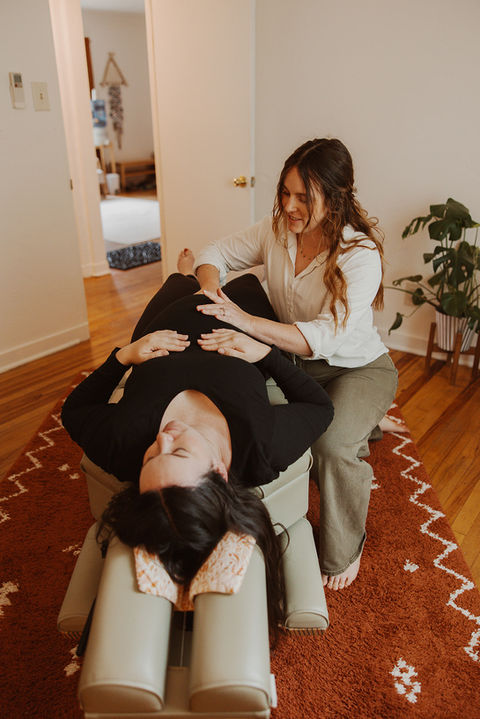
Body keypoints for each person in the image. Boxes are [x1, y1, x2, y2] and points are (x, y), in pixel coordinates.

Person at [61, 251, 334, 635]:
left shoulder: (122, 444)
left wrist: (123, 357)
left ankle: (186, 274)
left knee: (178, 281)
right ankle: (206, 281)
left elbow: (74, 410)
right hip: (239, 317)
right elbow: (320, 407)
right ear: (219, 471)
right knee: (248, 281)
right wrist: (266, 355)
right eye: (179, 451)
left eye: (150, 457)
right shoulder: (260, 445)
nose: (162, 437)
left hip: (164, 318)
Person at [194, 138, 398, 591]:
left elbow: (324, 338)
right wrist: (211, 292)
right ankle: (362, 423)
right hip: (294, 363)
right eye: (285, 193)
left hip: (356, 367)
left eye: (303, 197)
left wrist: (244, 321)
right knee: (248, 419)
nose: (289, 206)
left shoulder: (360, 255)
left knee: (330, 446)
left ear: (336, 196)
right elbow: (215, 253)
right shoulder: (276, 230)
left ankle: (346, 548)